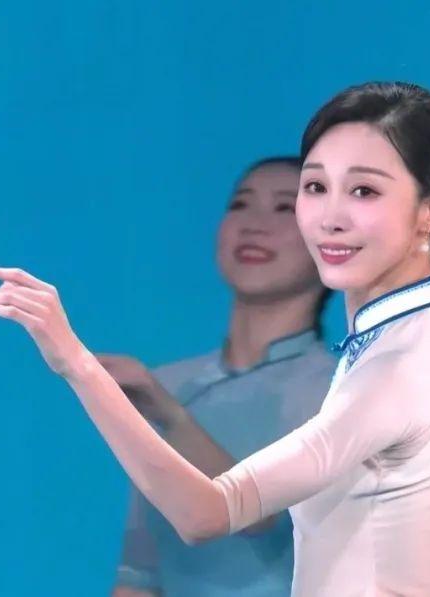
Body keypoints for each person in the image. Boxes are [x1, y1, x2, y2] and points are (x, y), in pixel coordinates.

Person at [0, 81, 430, 596]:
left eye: (364, 190)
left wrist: (75, 361)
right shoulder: (398, 345)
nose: (329, 217)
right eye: (316, 187)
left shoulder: (392, 367)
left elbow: (207, 513)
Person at [106, 156, 336, 597]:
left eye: (285, 208)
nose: (254, 225)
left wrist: (172, 418)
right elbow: (139, 571)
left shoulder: (338, 390)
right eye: (240, 204)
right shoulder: (168, 384)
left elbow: (262, 516)